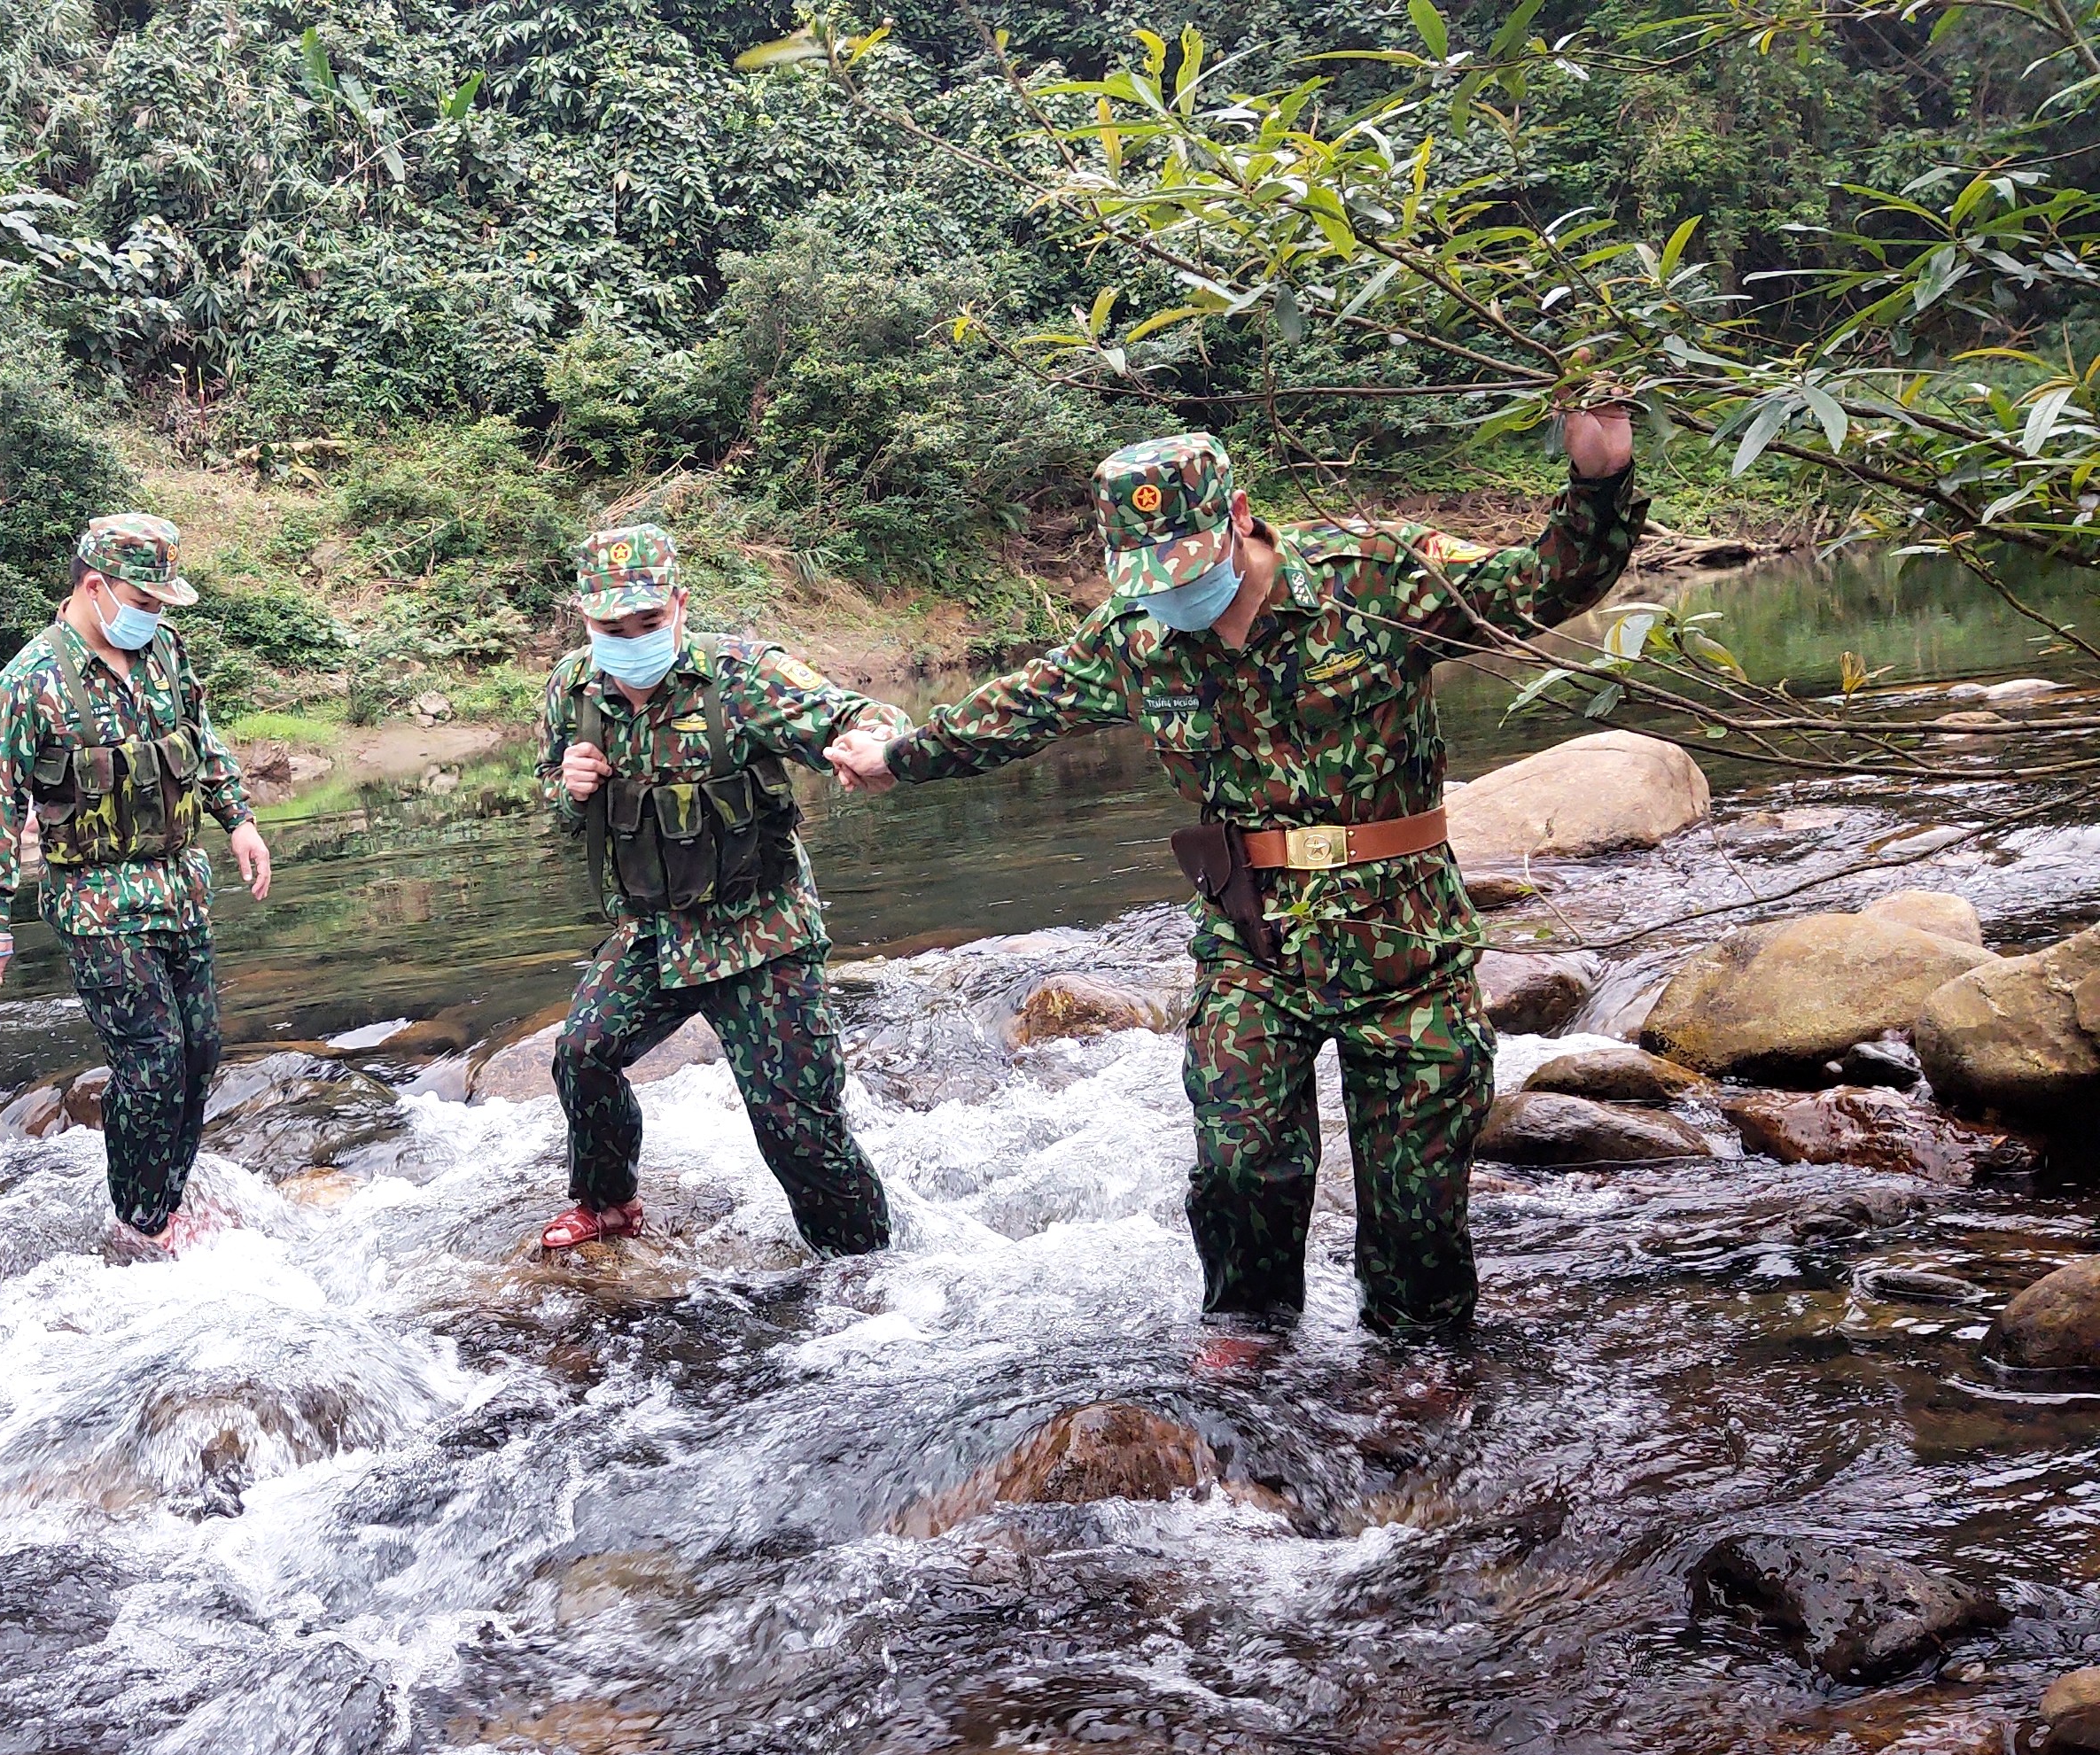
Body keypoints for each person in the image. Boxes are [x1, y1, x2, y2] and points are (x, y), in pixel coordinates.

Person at [824, 407, 1644, 1332]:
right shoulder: (1133, 638)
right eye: (1147, 578)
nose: (1169, 594)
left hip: (1404, 944)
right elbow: (1020, 708)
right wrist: (901, 754)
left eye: (1185, 568)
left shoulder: (1371, 579)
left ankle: (1420, 1373)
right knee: (1240, 1166)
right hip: (1253, 939)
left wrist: (1599, 480)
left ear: (1240, 516)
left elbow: (1544, 583)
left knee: (1415, 1210)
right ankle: (1249, 1345)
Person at [538, 524, 906, 1258]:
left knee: (796, 1126)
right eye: (614, 626)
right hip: (652, 933)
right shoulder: (571, 689)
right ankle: (608, 1203)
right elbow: (554, 793)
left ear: (678, 605)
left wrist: (881, 746)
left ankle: (867, 1271)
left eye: (648, 621)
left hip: (761, 935)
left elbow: (855, 715)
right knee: (582, 1053)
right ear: (586, 620)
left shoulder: (743, 677)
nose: (633, 637)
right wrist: (568, 791)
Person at [0, 513, 275, 1252]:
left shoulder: (164, 651)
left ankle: (167, 1200)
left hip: (178, 887)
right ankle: (138, 1223)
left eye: (162, 602)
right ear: (94, 586)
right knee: (153, 1061)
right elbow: (0, 800)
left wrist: (238, 818)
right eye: (145, 599)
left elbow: (200, 736)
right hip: (96, 903)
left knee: (200, 1056)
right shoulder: (28, 682)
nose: (155, 615)